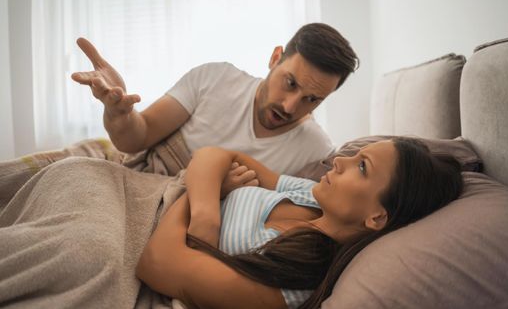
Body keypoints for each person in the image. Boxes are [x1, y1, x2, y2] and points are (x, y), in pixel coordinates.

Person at [136, 137, 464, 309]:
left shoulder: (297, 278)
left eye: (362, 167)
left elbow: (156, 263)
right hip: (145, 195)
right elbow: (214, 155)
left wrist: (203, 194)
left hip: (137, 234)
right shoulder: (312, 196)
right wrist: (207, 214)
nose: (339, 161)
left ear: (376, 217)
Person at [71, 23, 359, 175]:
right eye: (290, 83)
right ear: (274, 58)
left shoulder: (315, 151)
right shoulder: (214, 79)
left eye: (312, 100)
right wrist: (118, 114)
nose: (290, 106)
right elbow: (137, 137)